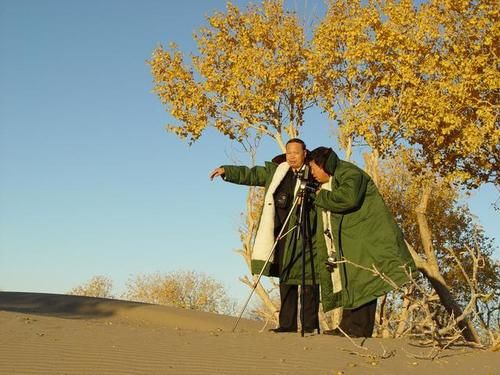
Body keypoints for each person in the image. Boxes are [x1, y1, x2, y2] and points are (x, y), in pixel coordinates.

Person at [210, 138, 320, 333]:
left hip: (306, 233)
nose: (292, 156)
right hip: (280, 231)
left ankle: (310, 326)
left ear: (305, 153)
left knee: (308, 279)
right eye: (289, 152)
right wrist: (227, 171)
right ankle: (287, 325)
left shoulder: (313, 172)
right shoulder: (277, 171)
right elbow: (252, 174)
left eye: (296, 152)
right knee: (286, 278)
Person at [308, 147, 417, 338]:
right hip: (357, 238)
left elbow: (347, 199)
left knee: (365, 282)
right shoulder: (339, 174)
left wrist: (320, 196)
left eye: (313, 168)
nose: (312, 173)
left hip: (369, 238)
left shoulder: (349, 172)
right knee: (354, 281)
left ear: (321, 164)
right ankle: (347, 327)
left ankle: (358, 330)